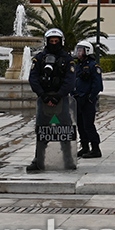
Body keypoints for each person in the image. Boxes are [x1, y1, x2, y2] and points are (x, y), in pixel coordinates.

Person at [27, 28, 76, 172]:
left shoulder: (68, 59)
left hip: (62, 99)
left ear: (61, 42)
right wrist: (42, 94)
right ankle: (38, 160)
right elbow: (33, 78)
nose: (54, 43)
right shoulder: (39, 58)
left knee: (65, 129)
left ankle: (68, 160)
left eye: (56, 41)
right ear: (47, 42)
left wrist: (59, 95)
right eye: (51, 41)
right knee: (42, 130)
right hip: (43, 99)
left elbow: (70, 80)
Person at [73, 40, 103, 159]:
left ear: (88, 51)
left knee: (88, 125)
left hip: (88, 100)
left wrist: (90, 97)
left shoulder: (93, 66)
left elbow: (98, 85)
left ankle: (95, 148)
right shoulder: (77, 66)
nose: (79, 52)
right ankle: (85, 146)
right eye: (78, 50)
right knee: (80, 124)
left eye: (81, 50)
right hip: (78, 99)